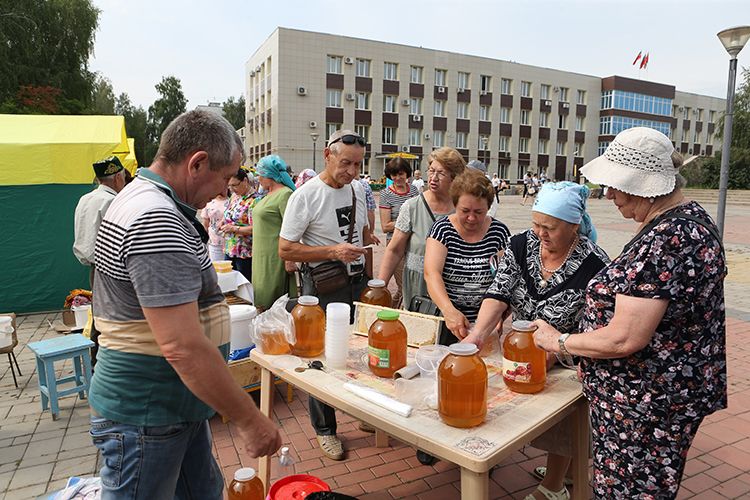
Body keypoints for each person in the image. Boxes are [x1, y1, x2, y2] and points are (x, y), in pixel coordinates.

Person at [89, 110, 281, 499]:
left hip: (174, 405)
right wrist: (250, 420)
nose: (225, 190)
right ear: (197, 163)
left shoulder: (146, 197)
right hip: (148, 412)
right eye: (225, 178)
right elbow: (182, 346)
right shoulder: (156, 218)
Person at [532, 127, 727, 500]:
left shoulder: (670, 237)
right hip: (654, 399)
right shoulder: (684, 220)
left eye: (616, 185)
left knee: (630, 492)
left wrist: (557, 340)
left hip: (647, 405)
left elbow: (625, 337)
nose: (609, 194)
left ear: (644, 185)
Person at [463, 181, 608, 500]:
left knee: (564, 421)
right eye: (536, 224)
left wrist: (557, 353)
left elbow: (595, 329)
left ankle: (554, 486)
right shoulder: (520, 245)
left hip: (566, 355)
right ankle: (569, 471)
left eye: (550, 228)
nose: (540, 233)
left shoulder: (595, 264)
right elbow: (499, 292)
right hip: (520, 348)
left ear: (573, 227)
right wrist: (478, 334)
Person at [279, 129, 379, 461]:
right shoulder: (305, 195)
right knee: (319, 358)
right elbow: (285, 249)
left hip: (354, 285)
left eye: (358, 164)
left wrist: (372, 279)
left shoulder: (357, 190)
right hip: (320, 289)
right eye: (346, 163)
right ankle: (326, 430)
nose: (352, 171)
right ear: (327, 155)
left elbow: (364, 235)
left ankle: (361, 411)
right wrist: (333, 252)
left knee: (357, 350)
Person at [424, 169, 511, 344]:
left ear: (489, 207)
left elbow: (505, 280)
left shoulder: (499, 233)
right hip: (447, 322)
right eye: (465, 210)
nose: (471, 218)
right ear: (455, 205)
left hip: (485, 324)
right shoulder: (442, 230)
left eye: (479, 212)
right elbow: (431, 273)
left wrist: (498, 316)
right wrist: (449, 311)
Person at [378, 147, 466, 309]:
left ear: (455, 177)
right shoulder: (412, 207)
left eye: (441, 173)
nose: (433, 178)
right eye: (431, 171)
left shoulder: (463, 208)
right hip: (418, 292)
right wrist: (379, 287)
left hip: (453, 291)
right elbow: (395, 250)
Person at [73, 156, 128, 366]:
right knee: (113, 318)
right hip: (111, 267)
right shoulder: (112, 201)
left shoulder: (85, 199)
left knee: (99, 314)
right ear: (116, 178)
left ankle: (97, 363)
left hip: (94, 267)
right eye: (122, 176)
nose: (123, 181)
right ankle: (106, 365)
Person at [252, 154, 297, 311]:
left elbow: (291, 227)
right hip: (260, 255)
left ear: (269, 174)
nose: (258, 178)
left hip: (274, 257)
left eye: (260, 174)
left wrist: (289, 258)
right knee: (260, 294)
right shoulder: (267, 194)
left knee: (271, 297)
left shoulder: (284, 194)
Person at [379, 157, 419, 307]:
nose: (397, 178)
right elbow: (385, 226)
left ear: (407, 174)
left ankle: (395, 310)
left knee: (413, 285)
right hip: (395, 243)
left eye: (401, 174)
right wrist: (408, 222)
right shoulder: (385, 194)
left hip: (414, 243)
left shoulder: (414, 190)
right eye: (394, 175)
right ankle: (391, 312)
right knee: (404, 286)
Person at [221, 169, 256, 281]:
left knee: (243, 285)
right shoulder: (235, 197)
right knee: (229, 282)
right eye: (229, 186)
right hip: (230, 248)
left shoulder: (255, 200)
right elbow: (230, 214)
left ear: (245, 181)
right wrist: (223, 221)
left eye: (234, 185)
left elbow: (256, 228)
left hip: (245, 251)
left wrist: (234, 228)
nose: (231, 189)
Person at [200, 192, 229, 262]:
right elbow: (205, 225)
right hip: (214, 241)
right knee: (217, 268)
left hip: (230, 241)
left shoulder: (232, 201)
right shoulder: (208, 203)